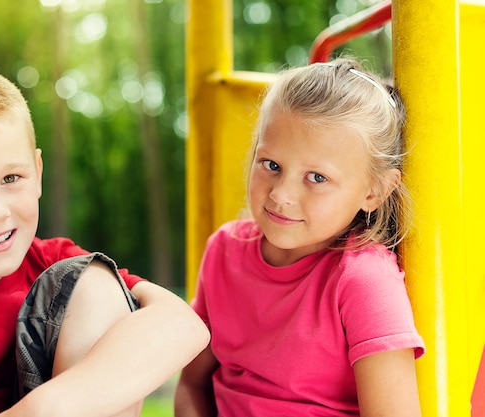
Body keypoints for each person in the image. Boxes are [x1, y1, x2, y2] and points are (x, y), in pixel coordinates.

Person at [0, 50, 210, 417]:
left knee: (91, 279)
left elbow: (186, 326)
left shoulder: (53, 262)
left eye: (10, 178)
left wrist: (47, 408)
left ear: (38, 172)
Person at [174, 58, 425, 417]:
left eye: (317, 178)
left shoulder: (363, 281)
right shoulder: (225, 251)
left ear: (375, 191)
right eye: (271, 165)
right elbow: (192, 383)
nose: (281, 195)